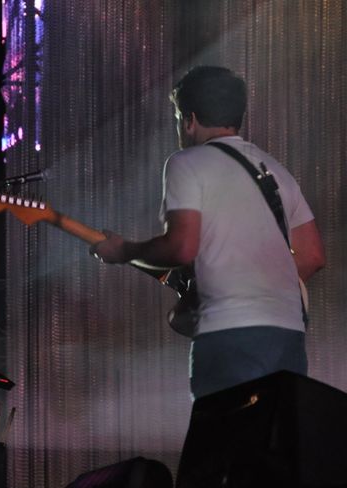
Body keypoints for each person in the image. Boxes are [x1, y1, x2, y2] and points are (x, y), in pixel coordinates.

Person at [90, 66, 325, 400]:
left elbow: (182, 247)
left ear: (190, 119)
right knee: (271, 446)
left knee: (222, 444)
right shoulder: (275, 172)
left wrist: (123, 251)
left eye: (177, 118)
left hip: (229, 338)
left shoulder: (188, 162)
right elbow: (313, 256)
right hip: (287, 337)